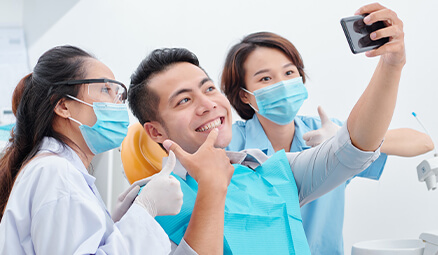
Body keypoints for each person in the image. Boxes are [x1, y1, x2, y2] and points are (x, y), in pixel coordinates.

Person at [127, 4, 407, 254]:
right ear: (155, 132)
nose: (207, 104)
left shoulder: (267, 171)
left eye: (209, 89)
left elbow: (351, 150)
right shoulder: (146, 206)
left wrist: (392, 65)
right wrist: (211, 188)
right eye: (184, 100)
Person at [221, 19, 433, 255]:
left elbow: (422, 141)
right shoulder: (229, 143)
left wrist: (344, 144)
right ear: (244, 95)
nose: (282, 84)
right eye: (265, 79)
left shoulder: (325, 130)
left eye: (289, 72)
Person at [0, 45, 184, 254]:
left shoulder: (58, 170)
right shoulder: (56, 173)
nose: (118, 103)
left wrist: (117, 224)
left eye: (119, 94)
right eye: (106, 90)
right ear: (63, 106)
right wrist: (146, 208)